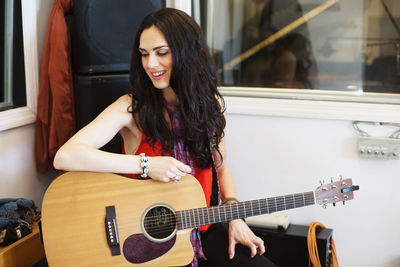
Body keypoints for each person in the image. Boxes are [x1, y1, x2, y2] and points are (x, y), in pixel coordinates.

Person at [54, 8, 276, 267]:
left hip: (200, 229)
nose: (151, 64)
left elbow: (222, 168)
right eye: (144, 55)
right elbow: (65, 156)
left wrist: (235, 217)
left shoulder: (211, 105)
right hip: (143, 238)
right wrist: (146, 164)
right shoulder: (131, 108)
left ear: (187, 54)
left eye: (161, 53)